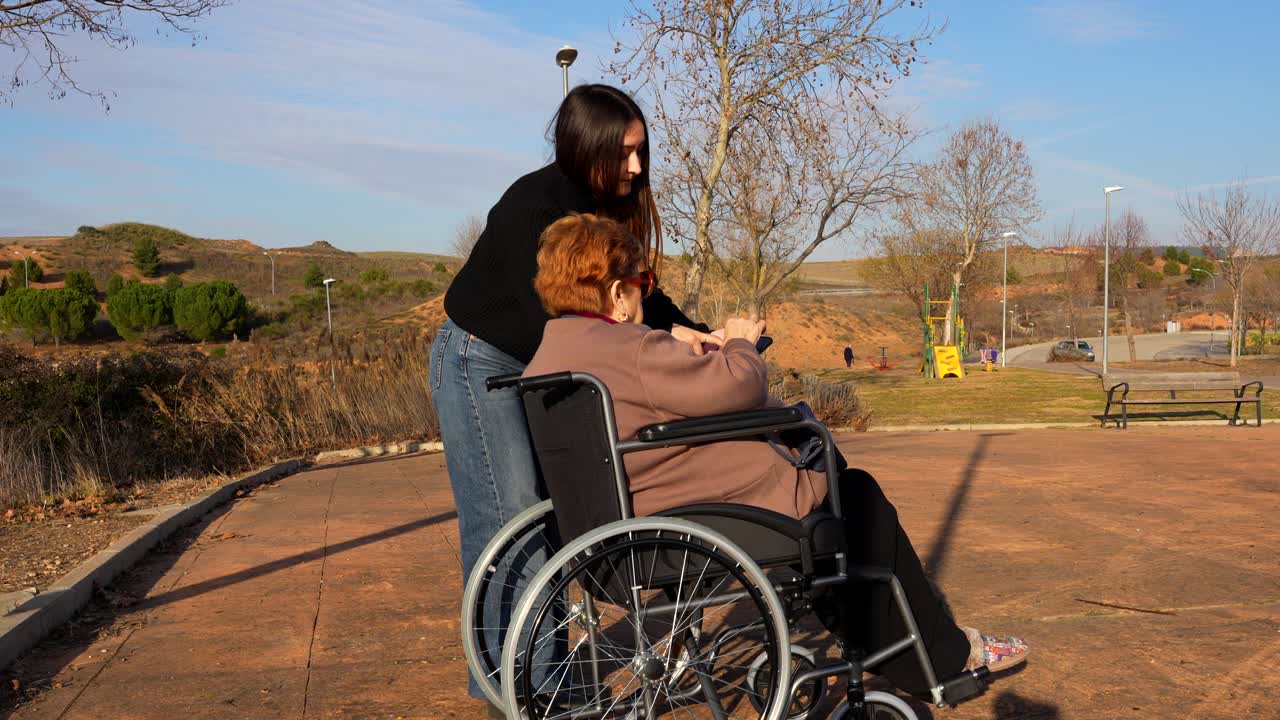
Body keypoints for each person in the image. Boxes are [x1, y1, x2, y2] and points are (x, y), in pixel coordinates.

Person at [523, 214, 1029, 697]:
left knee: (838, 516)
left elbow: (666, 396)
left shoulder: (551, 357)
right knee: (854, 499)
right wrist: (740, 344)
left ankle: (905, 643)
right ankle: (943, 657)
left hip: (611, 539)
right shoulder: (628, 347)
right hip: (686, 527)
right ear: (616, 291)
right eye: (644, 282)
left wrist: (691, 356)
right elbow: (738, 388)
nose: (645, 296)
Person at [429, 84, 717, 710]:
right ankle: (516, 697)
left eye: (642, 152)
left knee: (558, 521)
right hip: (483, 359)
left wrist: (688, 331)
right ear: (585, 148)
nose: (637, 168)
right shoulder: (532, 207)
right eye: (624, 155)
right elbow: (565, 327)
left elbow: (632, 291)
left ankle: (544, 687)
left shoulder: (608, 206)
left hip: (547, 359)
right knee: (509, 525)